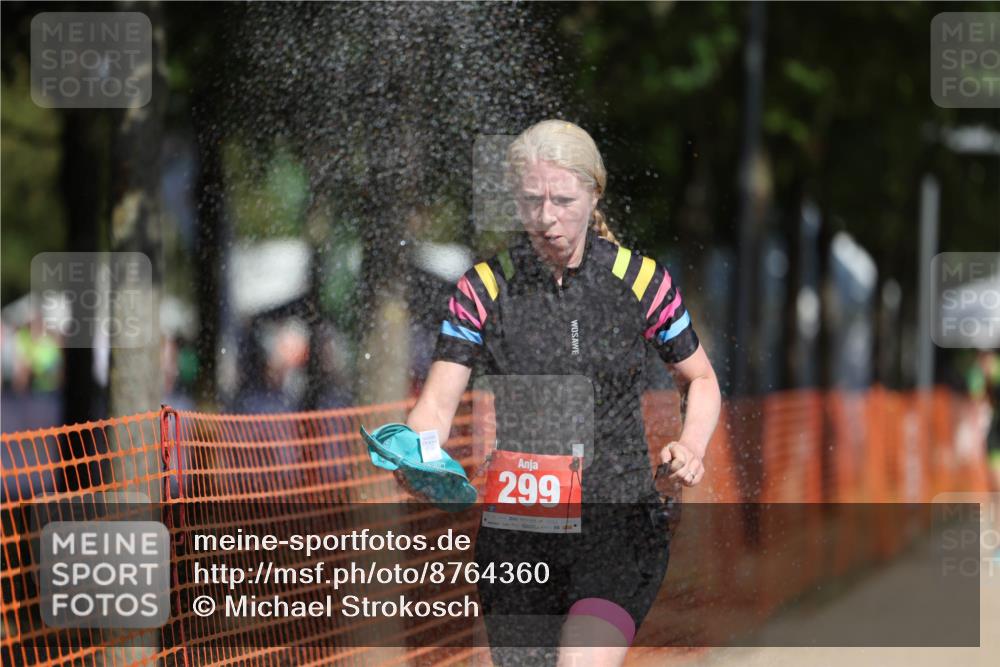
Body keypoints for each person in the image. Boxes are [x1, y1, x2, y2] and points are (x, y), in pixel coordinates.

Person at [399, 119, 721, 666]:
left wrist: (690, 447)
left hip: (617, 520)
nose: (546, 218)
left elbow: (701, 379)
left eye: (563, 200)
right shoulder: (483, 289)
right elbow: (435, 402)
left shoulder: (640, 282)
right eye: (530, 201)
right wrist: (411, 451)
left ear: (594, 193)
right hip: (519, 532)